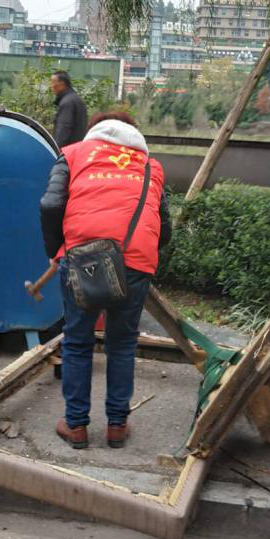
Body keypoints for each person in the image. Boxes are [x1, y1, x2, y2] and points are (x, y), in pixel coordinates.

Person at [40, 111, 172, 449]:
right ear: (135, 134)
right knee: (123, 343)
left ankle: (75, 425)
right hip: (135, 260)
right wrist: (137, 254)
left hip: (82, 257)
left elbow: (51, 204)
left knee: (77, 341)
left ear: (94, 131)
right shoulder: (150, 166)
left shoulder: (73, 154)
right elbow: (164, 226)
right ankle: (117, 425)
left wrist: (56, 250)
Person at [50, 71, 88, 147]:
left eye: (53, 82)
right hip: (77, 148)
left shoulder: (67, 103)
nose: (51, 86)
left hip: (67, 150)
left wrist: (56, 149)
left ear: (62, 84)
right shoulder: (76, 99)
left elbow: (63, 130)